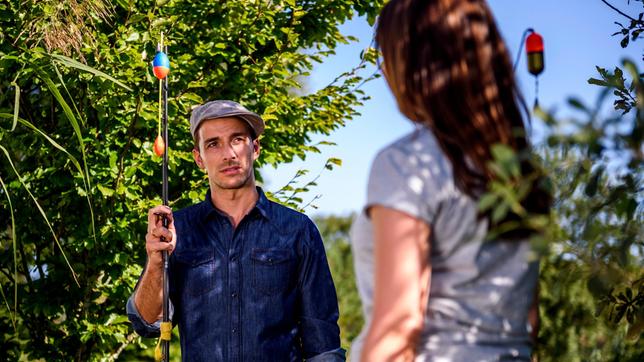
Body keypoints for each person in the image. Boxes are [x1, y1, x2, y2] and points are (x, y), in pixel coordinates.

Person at [353, 0, 551, 360]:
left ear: (417, 63)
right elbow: (529, 320)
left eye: (387, 54)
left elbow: (399, 330)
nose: (383, 70)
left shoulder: (406, 164)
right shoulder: (524, 171)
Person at [127, 100, 345, 361]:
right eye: (213, 144)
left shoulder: (297, 230)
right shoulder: (178, 229)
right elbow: (146, 322)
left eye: (237, 140)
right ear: (199, 158)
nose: (228, 153)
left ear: (255, 148)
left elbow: (323, 346)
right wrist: (154, 261)